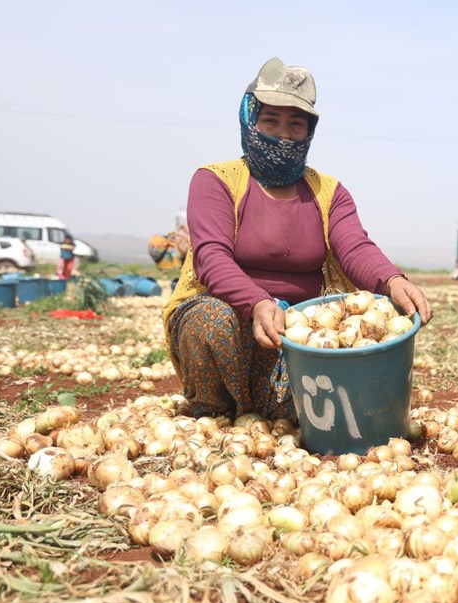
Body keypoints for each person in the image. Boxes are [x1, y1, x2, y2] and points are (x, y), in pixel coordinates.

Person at [163, 57, 431, 421]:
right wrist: (257, 303)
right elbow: (211, 258)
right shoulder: (217, 180)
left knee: (299, 412)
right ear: (250, 119)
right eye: (271, 120)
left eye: (296, 124)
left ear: (309, 131)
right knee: (211, 320)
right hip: (231, 316)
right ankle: (213, 412)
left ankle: (259, 409)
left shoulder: (327, 191)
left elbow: (354, 247)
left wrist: (392, 279)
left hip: (296, 331)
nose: (284, 134)